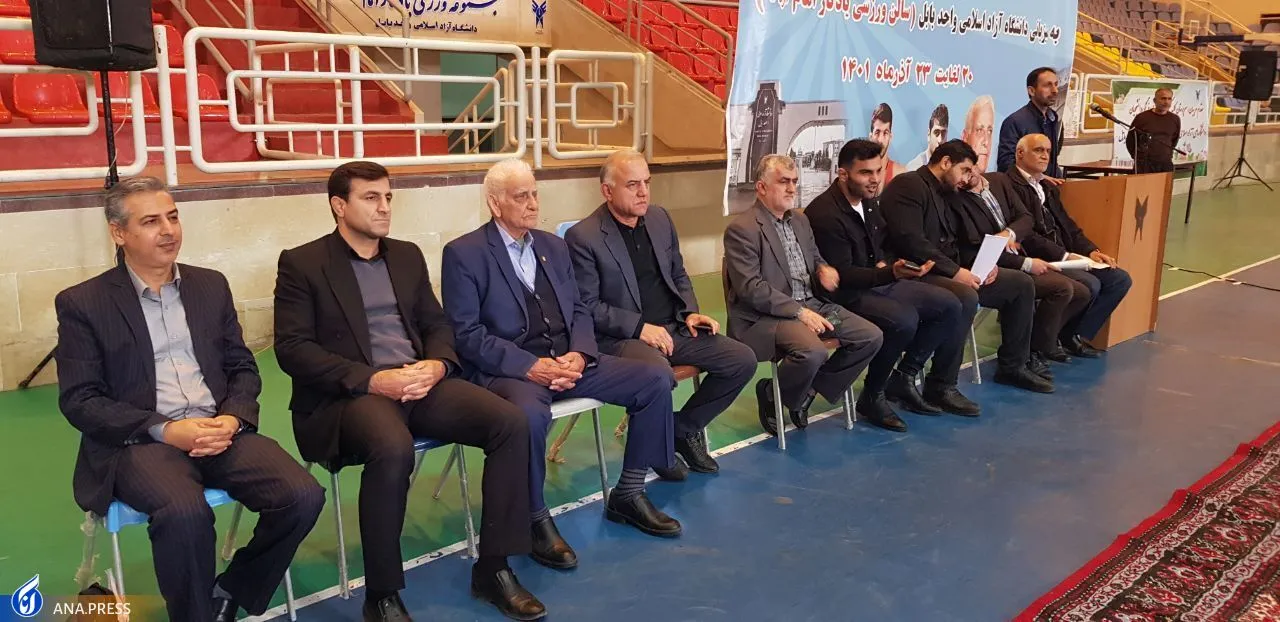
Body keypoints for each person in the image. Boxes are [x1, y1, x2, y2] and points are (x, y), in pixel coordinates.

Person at [273, 162, 544, 621]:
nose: (384, 207)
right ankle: (381, 595)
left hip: (419, 382)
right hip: (352, 396)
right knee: (392, 446)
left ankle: (494, 568)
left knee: (510, 422)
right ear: (339, 206)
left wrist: (437, 364)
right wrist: (372, 380)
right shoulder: (303, 263)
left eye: (388, 197)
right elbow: (294, 350)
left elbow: (436, 324)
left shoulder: (405, 255)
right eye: (371, 198)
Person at [55, 177, 325, 622]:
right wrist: (165, 429)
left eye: (173, 217)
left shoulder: (209, 286)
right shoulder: (84, 303)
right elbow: (81, 400)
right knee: (184, 513)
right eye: (151, 222)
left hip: (218, 428)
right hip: (140, 442)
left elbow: (242, 367)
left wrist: (233, 418)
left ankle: (232, 590)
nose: (168, 230)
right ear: (119, 233)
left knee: (302, 495)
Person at [441, 158, 684, 556]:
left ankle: (629, 492)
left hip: (568, 361)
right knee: (527, 417)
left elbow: (579, 310)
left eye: (535, 194)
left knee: (654, 379)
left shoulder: (553, 246)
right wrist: (529, 366)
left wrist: (580, 353)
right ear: (495, 204)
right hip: (512, 372)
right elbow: (467, 334)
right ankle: (534, 517)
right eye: (521, 196)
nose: (533, 204)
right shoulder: (464, 254)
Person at [565, 149, 756, 474]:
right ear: (607, 191)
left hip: (673, 328)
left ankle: (679, 429)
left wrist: (690, 312)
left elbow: (678, 273)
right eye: (632, 185)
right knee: (659, 375)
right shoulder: (584, 237)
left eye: (647, 183)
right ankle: (659, 453)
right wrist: (640, 328)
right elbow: (587, 307)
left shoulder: (659, 219)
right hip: (621, 338)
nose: (643, 192)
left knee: (741, 360)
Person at [806, 139, 973, 431]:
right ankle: (873, 394)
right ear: (843, 174)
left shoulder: (870, 202)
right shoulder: (824, 214)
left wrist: (890, 263)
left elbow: (882, 244)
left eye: (878, 170)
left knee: (950, 304)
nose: (874, 179)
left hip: (876, 282)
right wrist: (890, 273)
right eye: (865, 173)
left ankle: (905, 376)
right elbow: (844, 276)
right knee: (903, 320)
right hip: (845, 295)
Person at [722, 154, 884, 435]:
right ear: (761, 187)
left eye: (794, 181)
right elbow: (751, 288)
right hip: (768, 317)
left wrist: (822, 268)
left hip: (813, 305)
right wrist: (799, 312)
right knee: (812, 351)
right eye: (783, 182)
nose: (791, 188)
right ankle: (774, 394)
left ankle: (807, 390)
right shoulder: (742, 230)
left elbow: (814, 256)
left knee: (870, 336)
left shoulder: (800, 220)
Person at [879, 140, 1054, 393]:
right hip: (915, 271)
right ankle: (941, 384)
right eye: (964, 170)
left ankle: (1013, 366)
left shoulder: (949, 192)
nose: (967, 178)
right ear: (945, 162)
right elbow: (912, 242)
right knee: (964, 296)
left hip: (948, 268)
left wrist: (983, 265)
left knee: (1020, 284)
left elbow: (960, 240)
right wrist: (956, 272)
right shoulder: (908, 185)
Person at [997, 134, 1133, 356]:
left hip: (1065, 254)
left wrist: (1090, 250)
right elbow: (1027, 235)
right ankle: (1043, 342)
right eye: (1038, 150)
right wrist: (1065, 255)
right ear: (1020, 153)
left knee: (1119, 279)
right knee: (1090, 284)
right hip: (1040, 257)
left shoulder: (1047, 186)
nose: (1045, 156)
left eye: (1048, 151)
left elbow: (1068, 225)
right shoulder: (1008, 185)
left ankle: (1072, 334)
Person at [952, 171, 1092, 369]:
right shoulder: (957, 198)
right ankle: (1031, 354)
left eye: (969, 168)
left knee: (1083, 291)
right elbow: (977, 248)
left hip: (1019, 254)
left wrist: (1009, 233)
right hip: (994, 266)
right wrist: (1026, 263)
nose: (966, 177)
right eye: (962, 171)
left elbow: (1026, 218)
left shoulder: (999, 180)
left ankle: (1041, 344)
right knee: (1058, 288)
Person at [997, 67, 1065, 180]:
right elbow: (1006, 164)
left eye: (1056, 85)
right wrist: (1040, 177)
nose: (1055, 90)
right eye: (1047, 85)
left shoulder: (1054, 119)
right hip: (1023, 187)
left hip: (1049, 187)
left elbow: (1053, 159)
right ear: (1031, 91)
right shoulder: (1015, 121)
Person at [1126, 87, 1181, 174]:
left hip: (1165, 163)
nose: (1166, 102)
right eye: (1163, 98)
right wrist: (1138, 157)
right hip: (1144, 164)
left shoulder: (1175, 119)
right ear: (1155, 100)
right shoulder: (1142, 118)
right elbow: (1131, 140)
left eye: (1169, 99)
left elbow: (1174, 140)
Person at [905, 104, 950, 170]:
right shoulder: (913, 168)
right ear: (929, 134)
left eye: (943, 133)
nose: (940, 140)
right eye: (936, 133)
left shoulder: (952, 168)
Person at [870, 102, 904, 186]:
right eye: (877, 132)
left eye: (885, 133)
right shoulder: (860, 173)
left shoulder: (900, 174)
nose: (880, 140)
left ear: (890, 137)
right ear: (870, 136)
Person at [961, 95, 996, 173]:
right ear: (965, 137)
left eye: (989, 131)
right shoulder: (952, 179)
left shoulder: (998, 180)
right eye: (979, 130)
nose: (986, 142)